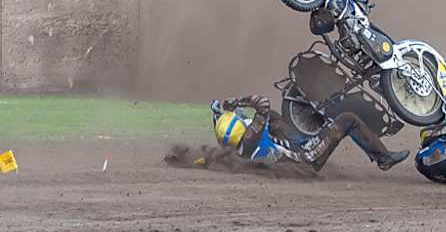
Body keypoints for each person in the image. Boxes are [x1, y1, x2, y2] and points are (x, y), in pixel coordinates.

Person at [164, 94, 410, 172]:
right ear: (241, 126)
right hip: (306, 157)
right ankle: (383, 158)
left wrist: (218, 110)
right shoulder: (251, 136)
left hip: (295, 152)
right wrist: (235, 100)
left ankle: (309, 119)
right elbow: (262, 103)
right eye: (240, 118)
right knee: (348, 119)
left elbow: (223, 127)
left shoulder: (238, 144)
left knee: (275, 120)